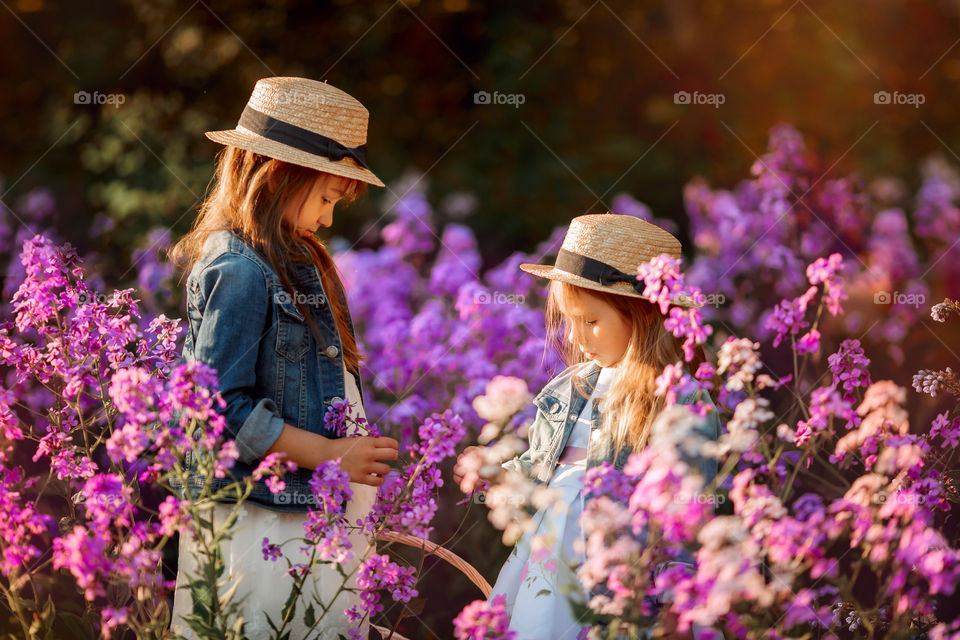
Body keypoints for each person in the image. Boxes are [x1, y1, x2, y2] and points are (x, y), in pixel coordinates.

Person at [167, 76, 399, 639]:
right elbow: (220, 407)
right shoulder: (239, 269)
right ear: (277, 176)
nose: (328, 218)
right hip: (261, 520)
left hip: (306, 510)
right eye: (325, 198)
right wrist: (328, 454)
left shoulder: (295, 258)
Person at [454, 213, 721, 640]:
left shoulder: (676, 399)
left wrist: (680, 599)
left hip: (626, 588)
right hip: (546, 573)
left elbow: (691, 511)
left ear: (643, 316)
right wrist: (492, 475)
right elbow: (538, 478)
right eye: (569, 320)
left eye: (591, 321)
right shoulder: (568, 390)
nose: (577, 339)